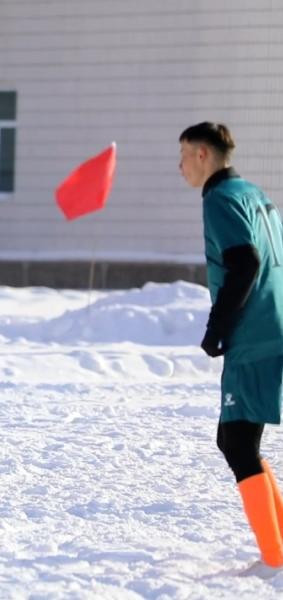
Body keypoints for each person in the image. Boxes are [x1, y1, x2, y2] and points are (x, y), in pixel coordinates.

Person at [180, 122, 283, 576]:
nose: (180, 165)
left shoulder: (220, 198)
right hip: (270, 324)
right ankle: (279, 550)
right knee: (236, 440)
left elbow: (245, 262)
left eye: (184, 154)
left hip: (254, 333)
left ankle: (276, 558)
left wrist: (217, 326)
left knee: (238, 443)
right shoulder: (253, 193)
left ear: (203, 154)